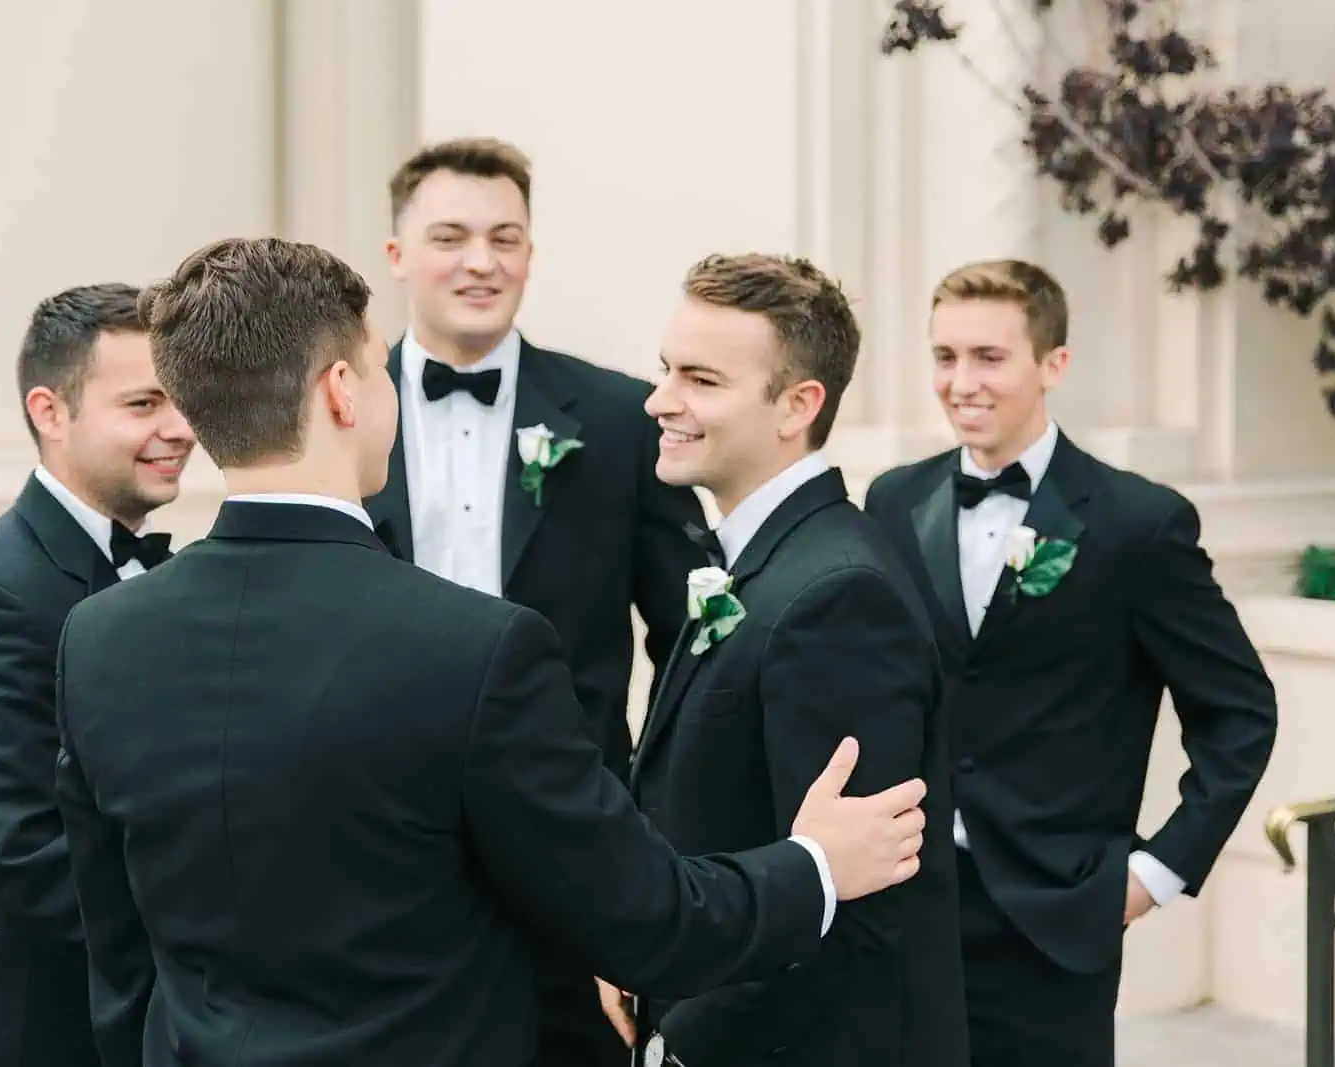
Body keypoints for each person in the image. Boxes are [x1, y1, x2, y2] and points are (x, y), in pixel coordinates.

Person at [51, 237, 931, 1067]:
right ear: (341, 393)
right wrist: (814, 865)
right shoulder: (473, 647)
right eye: (376, 364)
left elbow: (117, 957)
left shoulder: (97, 639)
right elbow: (643, 917)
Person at [863, 258, 1278, 1067]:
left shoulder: (1138, 524)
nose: (961, 382)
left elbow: (1240, 713)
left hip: (1057, 911)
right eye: (944, 356)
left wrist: (1155, 872)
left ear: (1054, 363)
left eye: (989, 357)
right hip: (912, 903)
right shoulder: (892, 499)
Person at [369, 136, 712, 1065]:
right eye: (450, 235)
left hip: (576, 823)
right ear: (397, 255)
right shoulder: (341, 411)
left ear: (531, 252)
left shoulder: (617, 417)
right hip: (375, 819)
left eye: (505, 237)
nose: (481, 261)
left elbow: (688, 643)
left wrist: (658, 835)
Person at [602, 254, 967, 1067]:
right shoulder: (763, 559)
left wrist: (681, 1039)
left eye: (701, 379)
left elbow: (855, 901)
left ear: (797, 405)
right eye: (666, 370)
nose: (660, 400)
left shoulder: (838, 599)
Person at [0, 283, 194, 1067]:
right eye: (143, 403)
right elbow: (26, 856)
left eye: (179, 400)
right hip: (35, 1031)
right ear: (50, 410)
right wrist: (212, 955)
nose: (178, 428)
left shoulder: (167, 577)